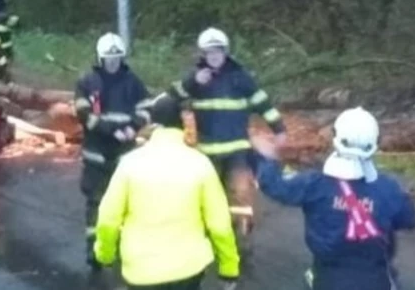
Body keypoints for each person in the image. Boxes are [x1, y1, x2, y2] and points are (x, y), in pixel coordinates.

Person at [250, 106, 415, 290]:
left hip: (327, 278)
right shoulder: (387, 188)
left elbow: (276, 187)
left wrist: (268, 158)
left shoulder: (314, 184)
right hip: (376, 279)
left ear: (335, 138)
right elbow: (410, 220)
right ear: (375, 142)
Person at [158, 27, 286, 259]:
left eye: (217, 51)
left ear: (225, 52)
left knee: (241, 199)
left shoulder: (240, 77)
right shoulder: (196, 78)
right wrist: (193, 81)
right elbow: (170, 97)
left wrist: (279, 130)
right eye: (209, 52)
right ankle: (208, 242)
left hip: (237, 151)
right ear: (202, 55)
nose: (214, 56)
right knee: (207, 199)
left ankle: (241, 245)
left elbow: (262, 103)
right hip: (207, 154)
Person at [94, 94, 241, 290]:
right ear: (182, 123)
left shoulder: (130, 163)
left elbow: (108, 217)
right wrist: (229, 268)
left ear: (154, 123)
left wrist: (105, 255)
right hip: (189, 269)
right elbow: (219, 223)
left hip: (142, 271)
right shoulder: (200, 163)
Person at [73, 32, 151, 270]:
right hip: (96, 153)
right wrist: (110, 130)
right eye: (109, 58)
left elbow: (146, 109)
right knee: (95, 203)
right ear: (100, 58)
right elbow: (84, 114)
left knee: (127, 203)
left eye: (116, 58)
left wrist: (133, 128)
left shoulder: (133, 82)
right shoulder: (87, 82)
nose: (113, 63)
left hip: (125, 155)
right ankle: (93, 249)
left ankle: (123, 247)